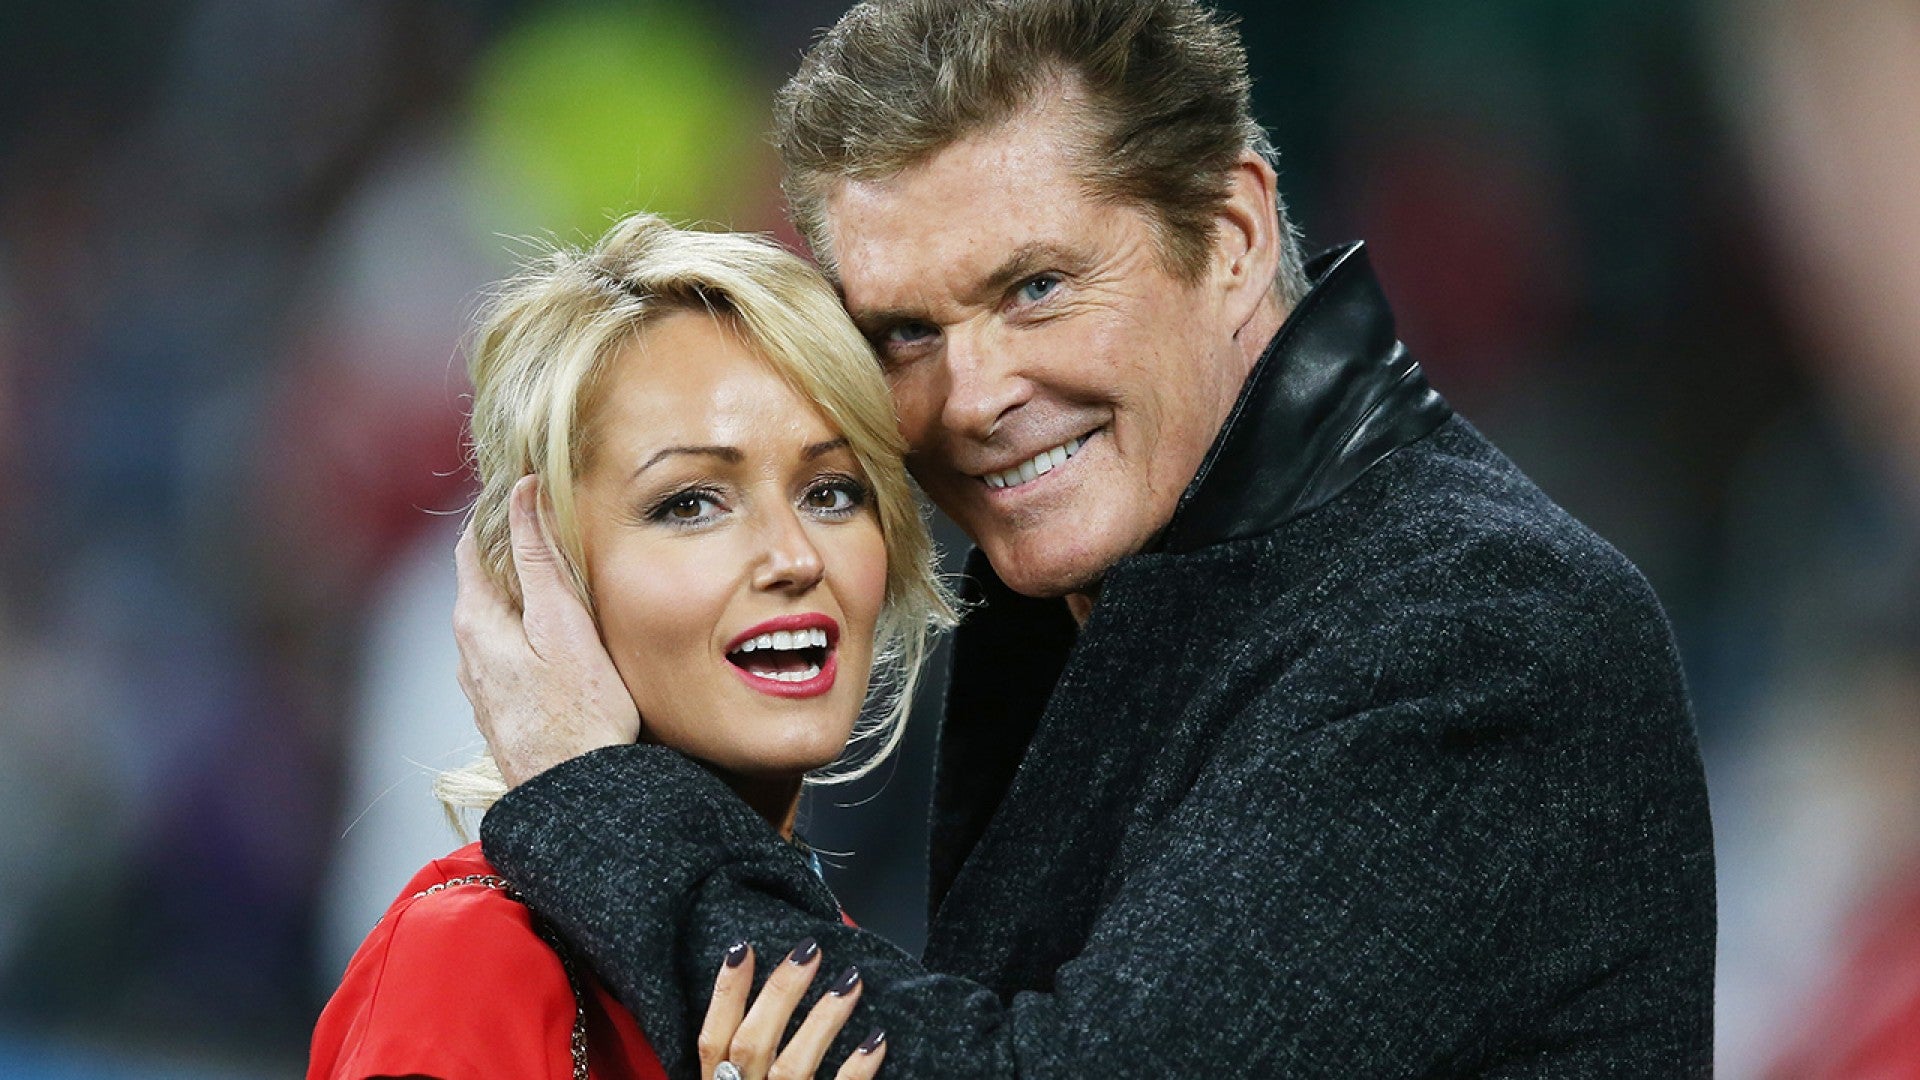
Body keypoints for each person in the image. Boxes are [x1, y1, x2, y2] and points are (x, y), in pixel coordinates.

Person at [455, 1, 1718, 1076]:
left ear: (1230, 236)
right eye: (905, 333)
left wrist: (599, 803)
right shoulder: (1098, 592)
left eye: (1036, 288)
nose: (973, 397)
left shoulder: (1480, 626)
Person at [310, 213, 957, 1079]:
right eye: (690, 502)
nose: (795, 556)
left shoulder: (824, 952)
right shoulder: (468, 958)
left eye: (833, 492)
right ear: (549, 575)